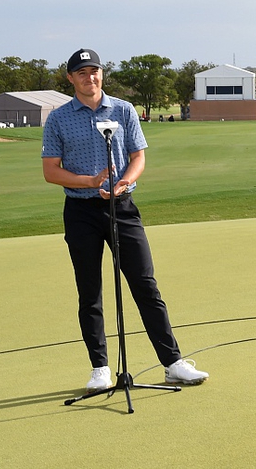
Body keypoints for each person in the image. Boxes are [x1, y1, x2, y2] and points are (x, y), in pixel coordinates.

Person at [42, 48, 208, 392]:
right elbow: (50, 171)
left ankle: (173, 363)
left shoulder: (123, 109)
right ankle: (100, 368)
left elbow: (138, 157)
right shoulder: (58, 119)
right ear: (71, 78)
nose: (91, 78)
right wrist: (90, 182)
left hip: (123, 208)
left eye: (95, 71)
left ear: (102, 74)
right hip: (81, 211)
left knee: (145, 284)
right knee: (90, 292)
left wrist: (123, 182)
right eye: (83, 73)